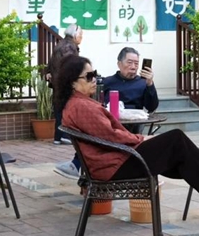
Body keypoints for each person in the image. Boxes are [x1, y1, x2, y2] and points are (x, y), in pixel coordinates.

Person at [54, 55, 199, 202]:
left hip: (115, 161)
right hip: (114, 166)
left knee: (179, 155)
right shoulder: (82, 106)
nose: (94, 80)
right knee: (176, 140)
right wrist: (142, 139)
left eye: (95, 74)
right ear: (73, 82)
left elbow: (111, 134)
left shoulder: (78, 103)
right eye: (89, 76)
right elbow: (111, 137)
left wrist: (139, 139)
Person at [54, 47, 158, 178]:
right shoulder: (107, 82)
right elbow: (96, 109)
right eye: (129, 62)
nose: (133, 67)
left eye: (136, 63)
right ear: (119, 63)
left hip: (131, 125)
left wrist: (150, 84)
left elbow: (151, 107)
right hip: (107, 126)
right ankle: (77, 164)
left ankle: (77, 165)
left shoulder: (143, 83)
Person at [47, 24, 83, 145]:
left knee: (59, 110)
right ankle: (66, 136)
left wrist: (49, 73)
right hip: (65, 82)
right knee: (68, 108)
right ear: (74, 35)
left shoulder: (61, 44)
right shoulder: (69, 46)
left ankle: (58, 137)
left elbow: (51, 62)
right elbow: (70, 65)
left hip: (57, 82)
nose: (81, 38)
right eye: (80, 35)